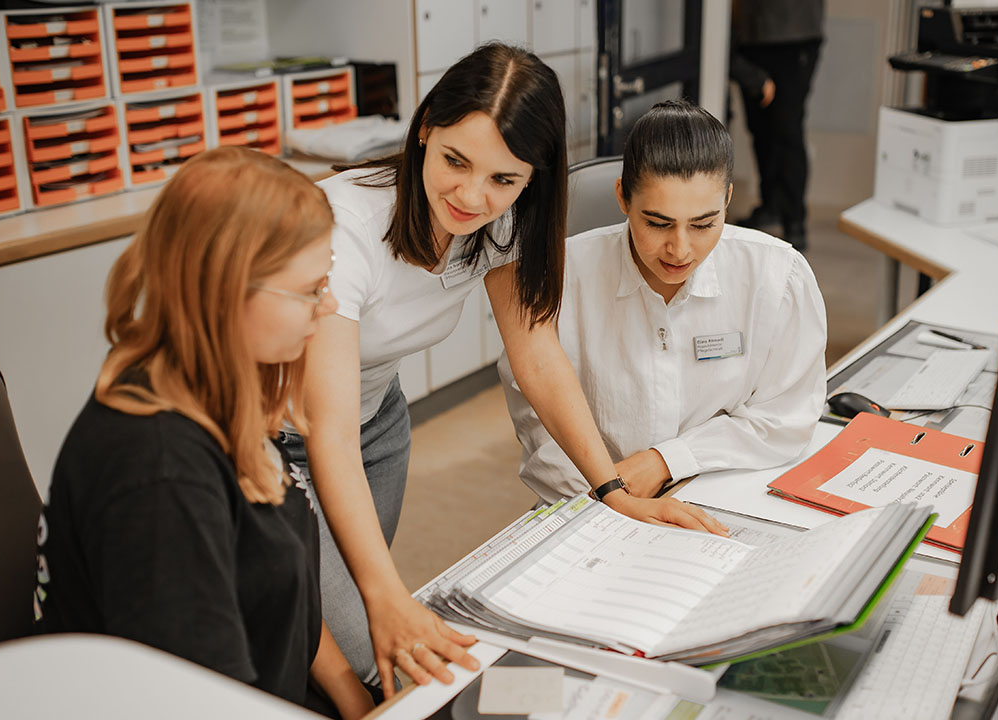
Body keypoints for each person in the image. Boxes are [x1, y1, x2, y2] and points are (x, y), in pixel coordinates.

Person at [294, 43, 729, 696]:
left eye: (504, 179)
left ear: (534, 178)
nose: (472, 196)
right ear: (423, 131)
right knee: (351, 644)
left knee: (343, 634)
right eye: (455, 162)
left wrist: (611, 489)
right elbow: (324, 431)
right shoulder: (344, 227)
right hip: (285, 437)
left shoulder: (503, 222)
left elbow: (535, 353)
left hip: (376, 424)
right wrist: (388, 598)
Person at [35, 147, 374, 718]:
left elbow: (276, 589)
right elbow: (200, 702)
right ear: (224, 292)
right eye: (311, 289)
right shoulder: (159, 476)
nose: (331, 304)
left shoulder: (221, 391)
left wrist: (357, 697)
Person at [500, 100, 827, 504]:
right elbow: (539, 427)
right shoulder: (563, 279)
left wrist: (666, 461)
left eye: (704, 224)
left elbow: (786, 418)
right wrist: (609, 500)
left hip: (723, 495)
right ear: (622, 197)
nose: (680, 249)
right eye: (658, 223)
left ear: (727, 199)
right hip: (590, 505)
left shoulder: (779, 277)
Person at [729, 0, 826, 251]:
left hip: (794, 37)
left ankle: (795, 220)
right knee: (759, 131)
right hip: (750, 36)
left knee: (787, 130)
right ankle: (771, 205)